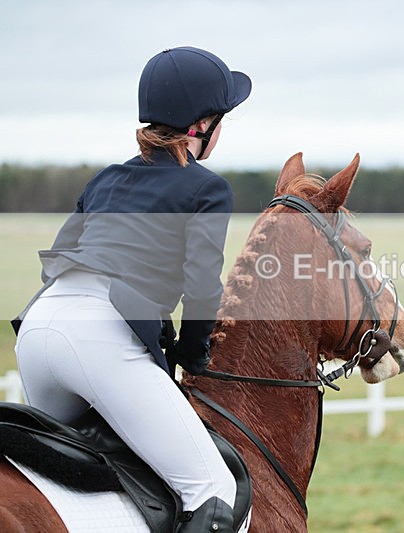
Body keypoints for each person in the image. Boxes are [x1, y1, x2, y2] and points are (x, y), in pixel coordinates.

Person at [12, 46, 251, 532]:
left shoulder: (105, 179)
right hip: (99, 338)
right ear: (201, 126)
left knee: (65, 488)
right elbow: (202, 286)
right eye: (222, 118)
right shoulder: (208, 189)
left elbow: (61, 253)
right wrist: (191, 350)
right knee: (215, 491)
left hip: (38, 331)